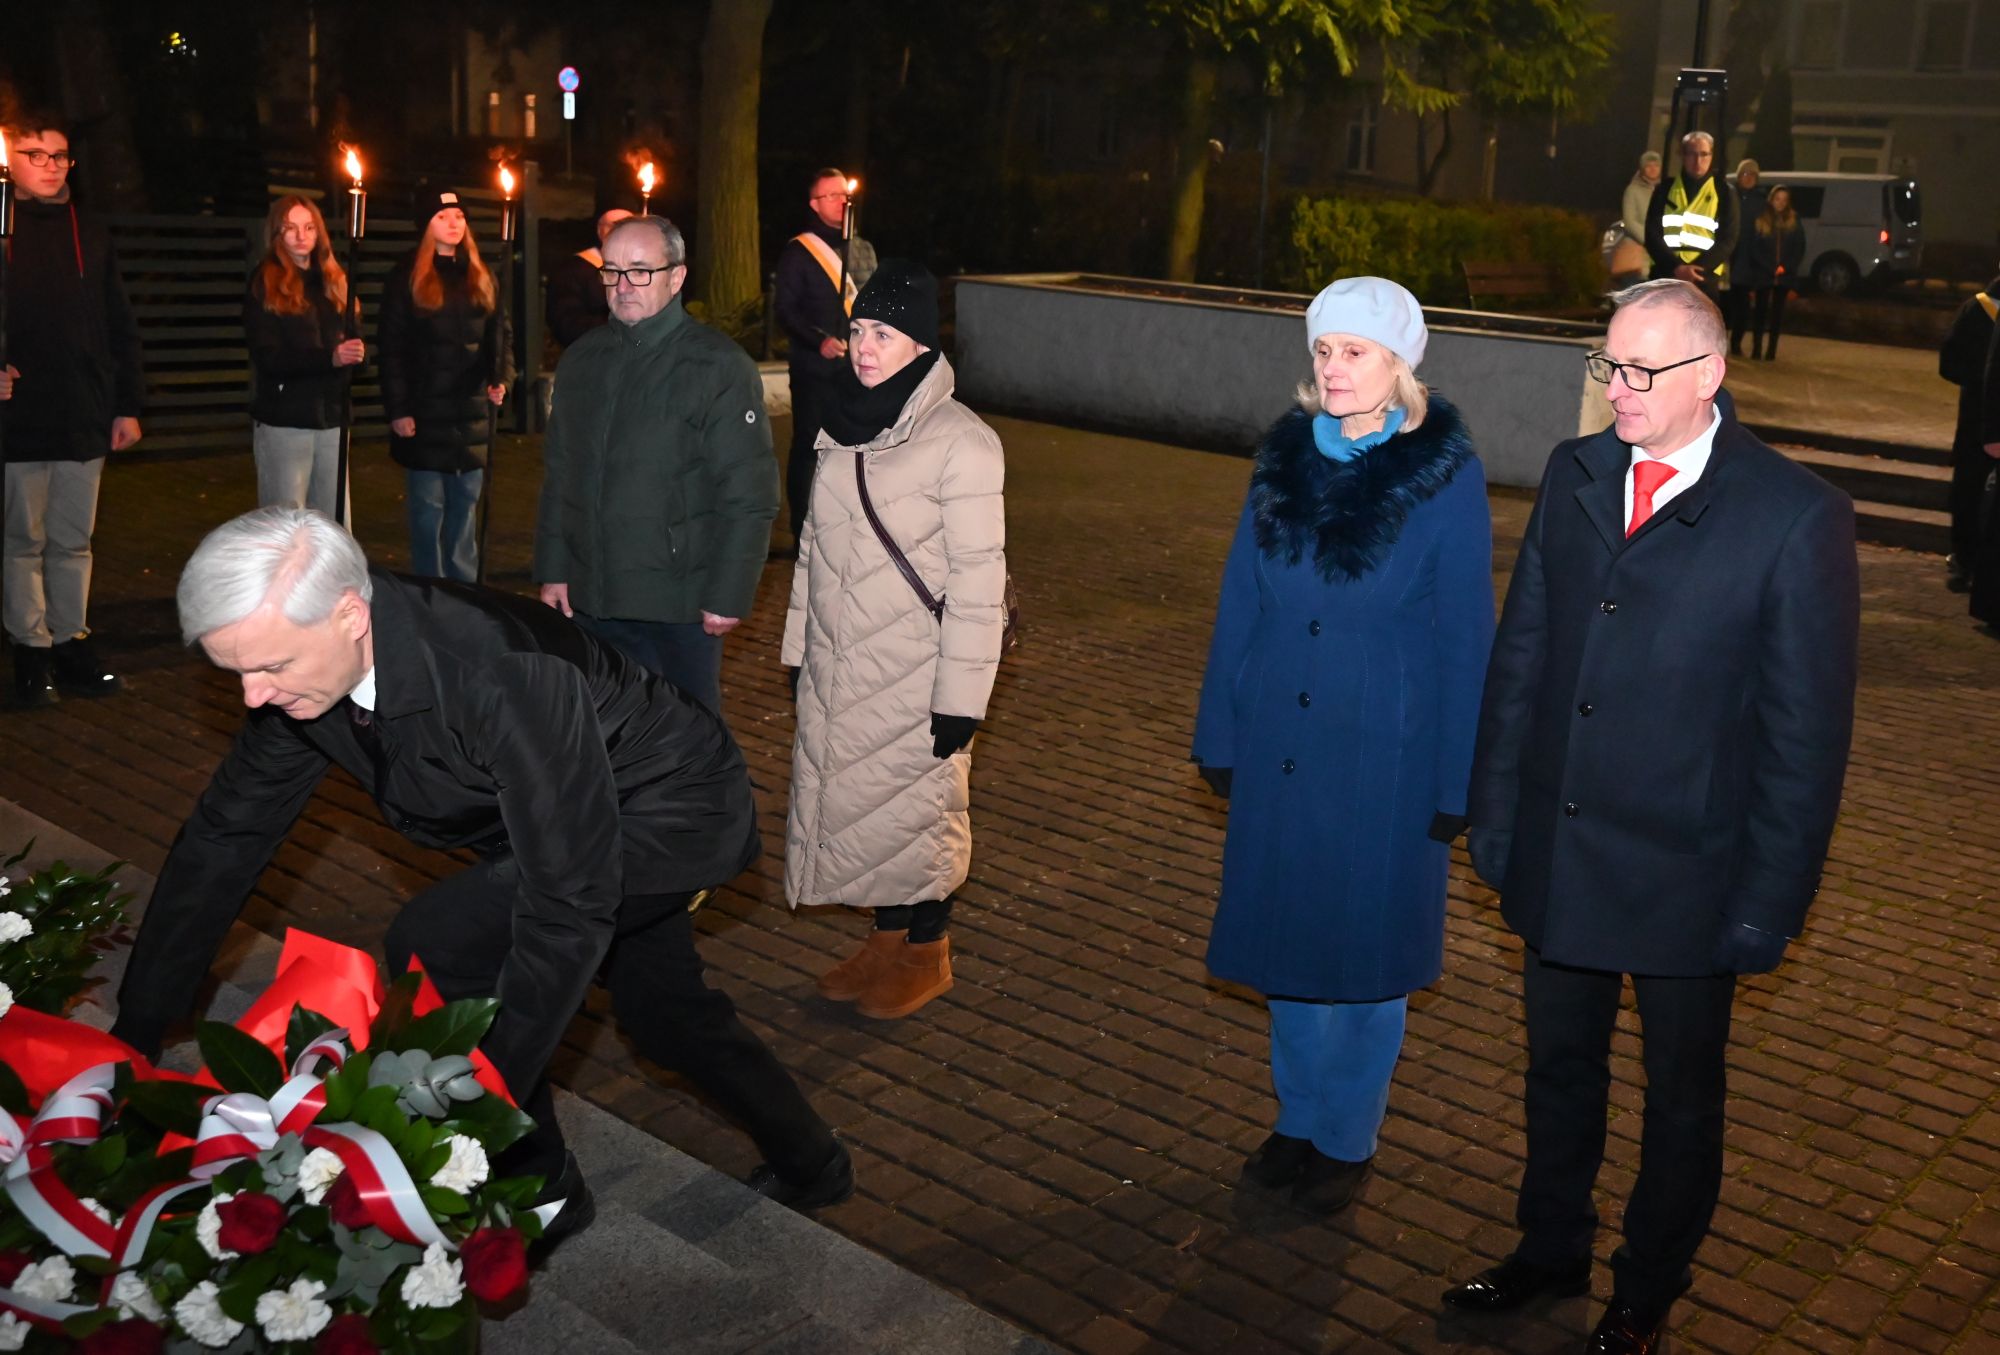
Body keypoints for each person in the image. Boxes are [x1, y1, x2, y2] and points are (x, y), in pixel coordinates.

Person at [110, 507, 856, 1249]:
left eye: (271, 666)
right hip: (549, 815)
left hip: (668, 814)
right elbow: (225, 838)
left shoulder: (496, 672)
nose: (252, 696)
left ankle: (541, 1186)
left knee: (441, 942)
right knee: (663, 1010)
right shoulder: (308, 672)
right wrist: (137, 1033)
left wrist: (475, 1123)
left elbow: (567, 906)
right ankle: (812, 1162)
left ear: (349, 615)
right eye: (236, 672)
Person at [1443, 280, 1859, 1355]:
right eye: (1608, 365)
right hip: (1561, 841)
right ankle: (1550, 1247)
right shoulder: (1576, 471)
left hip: (1692, 870)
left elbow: (1804, 739)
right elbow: (1522, 656)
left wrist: (1768, 903)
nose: (1617, 389)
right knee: (1556, 1068)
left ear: (1707, 374)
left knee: (1679, 1097)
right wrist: (1495, 813)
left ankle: (1644, 1289)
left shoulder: (1793, 515)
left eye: (1640, 370)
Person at [1191, 277, 1494, 1216]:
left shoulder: (1442, 475)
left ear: (1398, 364)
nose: (1333, 367)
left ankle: (1346, 1134)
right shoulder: (1283, 461)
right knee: (1289, 941)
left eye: (1354, 351)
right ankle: (1298, 1116)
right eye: (1323, 349)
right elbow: (1240, 600)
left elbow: (1466, 636)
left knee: (1366, 958)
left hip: (1385, 758)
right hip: (1282, 738)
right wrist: (1220, 730)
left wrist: (1460, 778)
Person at [782, 260, 1006, 1021]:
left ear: (921, 345)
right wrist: (799, 648)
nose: (865, 347)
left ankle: (926, 951)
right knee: (866, 807)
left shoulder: (963, 442)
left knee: (921, 809)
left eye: (883, 333)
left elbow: (978, 581)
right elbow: (813, 550)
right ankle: (885, 940)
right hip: (844, 657)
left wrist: (962, 700)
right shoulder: (841, 422)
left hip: (918, 666)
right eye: (857, 331)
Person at [534, 215, 778, 716]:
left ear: (677, 277)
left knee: (686, 737)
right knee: (602, 733)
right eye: (611, 271)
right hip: (591, 598)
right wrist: (554, 568)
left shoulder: (717, 367)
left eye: (640, 271)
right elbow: (561, 476)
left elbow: (749, 493)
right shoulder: (581, 362)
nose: (623, 286)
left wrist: (728, 592)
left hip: (676, 605)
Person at [0, 110, 142, 709]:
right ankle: (30, 650)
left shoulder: (91, 231)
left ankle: (71, 641)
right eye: (36, 155)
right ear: (10, 161)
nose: (51, 166)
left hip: (83, 411)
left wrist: (127, 404)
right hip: (21, 417)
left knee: (72, 540)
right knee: (21, 539)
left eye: (59, 156)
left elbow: (119, 321)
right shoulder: (2, 226)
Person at [378, 187, 512, 583]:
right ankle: (431, 587)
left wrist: (501, 379)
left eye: (459, 217)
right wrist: (399, 409)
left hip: (470, 413)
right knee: (428, 509)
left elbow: (500, 336)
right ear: (426, 225)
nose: (453, 223)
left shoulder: (481, 274)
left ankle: (464, 588)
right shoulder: (408, 276)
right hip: (425, 413)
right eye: (442, 217)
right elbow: (392, 347)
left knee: (465, 506)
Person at [244, 195, 364, 519]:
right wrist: (329, 359)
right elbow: (268, 357)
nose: (301, 236)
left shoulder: (336, 282)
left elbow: (354, 347)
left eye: (309, 227)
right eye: (291, 228)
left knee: (334, 522)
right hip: (286, 419)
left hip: (332, 419)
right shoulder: (265, 283)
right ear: (276, 233)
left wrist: (356, 354)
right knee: (287, 521)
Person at [774, 168, 876, 546]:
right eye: (831, 195)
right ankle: (802, 530)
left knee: (854, 450)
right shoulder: (799, 252)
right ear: (815, 204)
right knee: (809, 447)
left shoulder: (863, 250)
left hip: (858, 371)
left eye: (844, 194)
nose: (841, 201)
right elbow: (786, 311)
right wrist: (818, 341)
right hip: (814, 370)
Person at [1938, 267, 1999, 594]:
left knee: (1971, 492)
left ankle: (1968, 563)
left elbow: (1949, 364)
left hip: (1977, 419)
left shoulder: (1975, 309)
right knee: (1971, 492)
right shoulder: (1979, 308)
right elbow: (1948, 364)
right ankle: (1970, 562)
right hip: (1979, 421)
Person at [1644, 132, 1739, 303]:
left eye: (1704, 154)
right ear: (1683, 155)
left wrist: (1695, 270)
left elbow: (1728, 239)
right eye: (1692, 154)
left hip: (1704, 279)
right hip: (1665, 274)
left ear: (1711, 156)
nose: (1698, 161)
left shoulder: (1724, 192)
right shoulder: (1664, 189)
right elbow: (1652, 234)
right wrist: (1676, 267)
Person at [545, 207, 635, 349]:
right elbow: (566, 324)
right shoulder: (573, 271)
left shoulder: (646, 270)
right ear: (600, 231)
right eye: (615, 226)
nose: (622, 233)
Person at [1742, 185, 1806, 362]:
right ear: (1771, 200)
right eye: (1778, 199)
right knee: (1760, 312)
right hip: (1764, 274)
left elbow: (1799, 248)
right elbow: (1755, 248)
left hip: (1784, 276)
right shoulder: (1762, 220)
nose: (1781, 203)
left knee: (1777, 314)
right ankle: (1757, 349)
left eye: (1784, 200)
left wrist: (1785, 267)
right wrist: (1769, 267)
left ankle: (1771, 350)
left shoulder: (1794, 221)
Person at [1724, 160, 1765, 355]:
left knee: (1743, 307)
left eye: (1752, 175)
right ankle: (1719, 342)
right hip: (1727, 258)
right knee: (1723, 305)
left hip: (1748, 261)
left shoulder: (1761, 202)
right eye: (1745, 174)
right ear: (1739, 176)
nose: (1748, 178)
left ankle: (1736, 343)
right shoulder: (1729, 196)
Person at [1612, 152, 1662, 288]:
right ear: (1642, 168)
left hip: (1657, 256)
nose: (1653, 169)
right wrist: (1650, 240)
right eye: (1648, 166)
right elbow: (1629, 221)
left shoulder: (1663, 190)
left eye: (1656, 165)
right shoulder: (1632, 190)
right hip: (1637, 254)